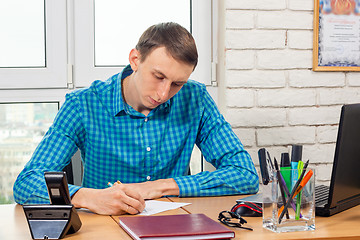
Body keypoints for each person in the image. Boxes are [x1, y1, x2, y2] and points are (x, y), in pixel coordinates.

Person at [13, 22, 259, 215]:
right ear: (135, 60)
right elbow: (26, 183)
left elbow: (244, 174)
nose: (164, 94)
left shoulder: (195, 98)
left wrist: (160, 186)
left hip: (174, 225)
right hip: (105, 228)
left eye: (177, 84)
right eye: (158, 76)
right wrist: (86, 197)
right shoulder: (83, 105)